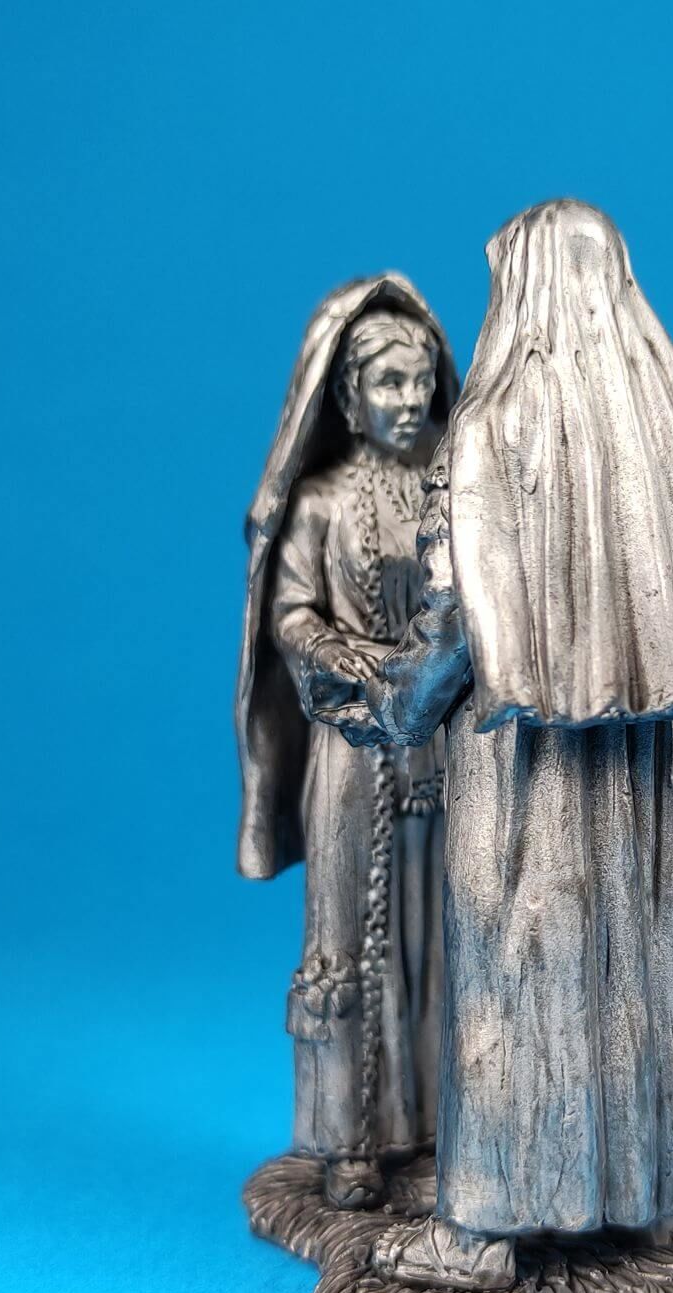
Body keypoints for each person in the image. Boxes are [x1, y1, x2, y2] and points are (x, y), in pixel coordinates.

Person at [327, 203, 673, 1287]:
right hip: (635, 767)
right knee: (632, 972)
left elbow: (453, 624)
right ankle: (649, 1197)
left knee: (514, 967)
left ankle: (483, 1223)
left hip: (522, 765)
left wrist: (392, 705)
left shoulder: (493, 432)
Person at [234, 276, 460, 1209]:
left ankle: (444, 1132)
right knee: (347, 940)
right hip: (352, 752)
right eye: (389, 383)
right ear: (349, 396)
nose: (410, 399)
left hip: (441, 754)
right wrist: (353, 660)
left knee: (439, 939)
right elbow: (289, 614)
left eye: (422, 380)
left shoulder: (457, 491)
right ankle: (350, 1142)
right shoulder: (322, 503)